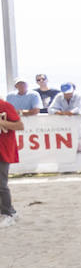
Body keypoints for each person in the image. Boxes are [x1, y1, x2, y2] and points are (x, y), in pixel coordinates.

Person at [0, 94, 21, 227]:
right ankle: (11, 211)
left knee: (1, 184)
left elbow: (19, 125)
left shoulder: (5, 106)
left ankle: (7, 213)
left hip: (3, 150)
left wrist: (2, 122)